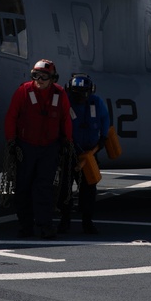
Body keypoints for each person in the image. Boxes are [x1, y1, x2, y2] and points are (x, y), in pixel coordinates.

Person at [4, 59, 72, 239]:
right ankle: (25, 226)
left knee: (45, 188)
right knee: (23, 188)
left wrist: (67, 141)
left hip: (49, 148)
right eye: (36, 76)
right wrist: (11, 141)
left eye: (44, 76)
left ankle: (44, 225)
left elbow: (66, 119)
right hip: (26, 146)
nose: (39, 80)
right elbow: (11, 116)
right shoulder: (23, 91)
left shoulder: (60, 94)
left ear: (52, 78)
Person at [61, 73, 110, 234]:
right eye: (77, 93)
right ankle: (65, 220)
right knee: (65, 189)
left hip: (89, 154)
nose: (80, 97)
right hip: (68, 153)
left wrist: (103, 139)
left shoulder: (97, 103)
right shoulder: (65, 103)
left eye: (84, 93)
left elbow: (105, 120)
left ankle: (87, 221)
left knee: (89, 188)